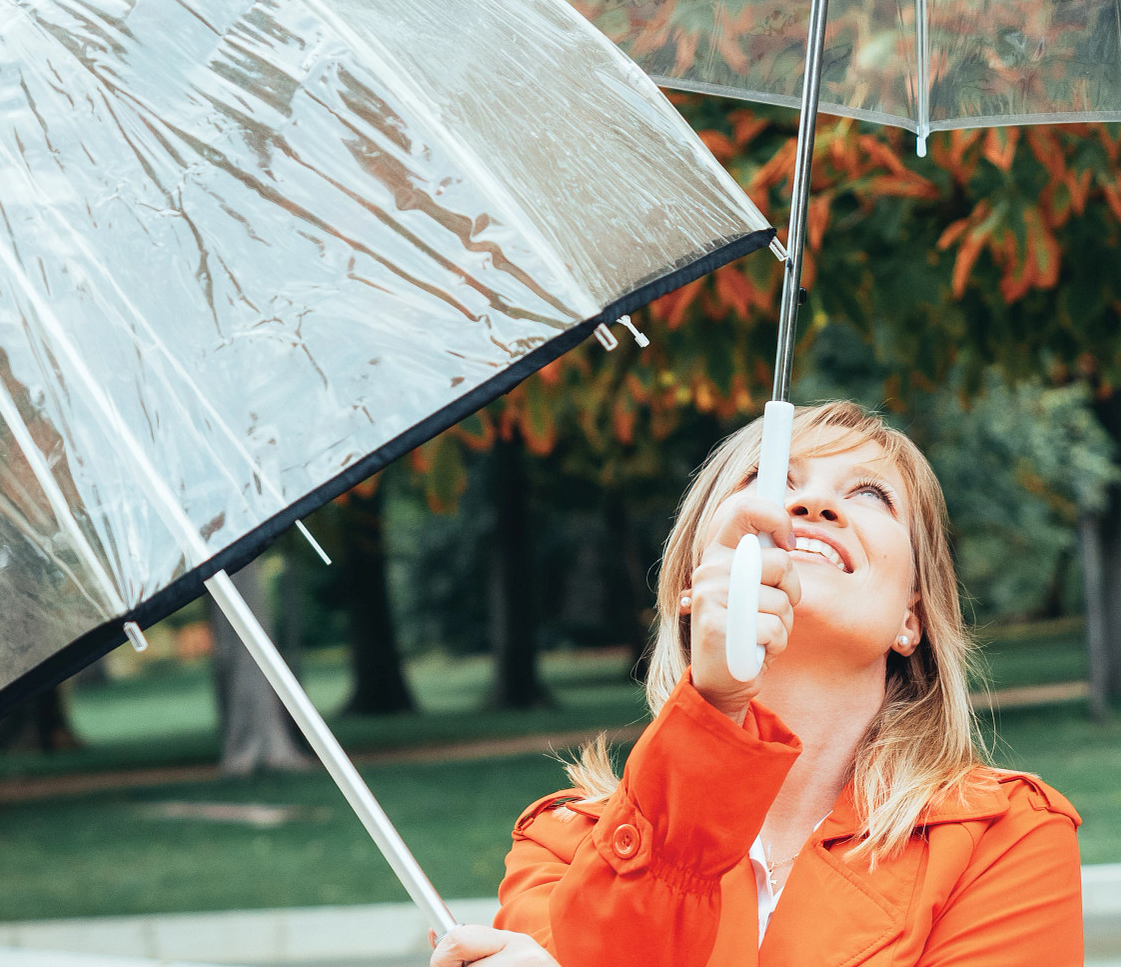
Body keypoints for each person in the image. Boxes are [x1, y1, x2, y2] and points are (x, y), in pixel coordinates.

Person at [428, 401, 1083, 967]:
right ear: (694, 585)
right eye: (773, 481)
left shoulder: (1001, 838)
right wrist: (714, 705)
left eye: (870, 494)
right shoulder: (564, 850)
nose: (813, 503)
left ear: (911, 616)